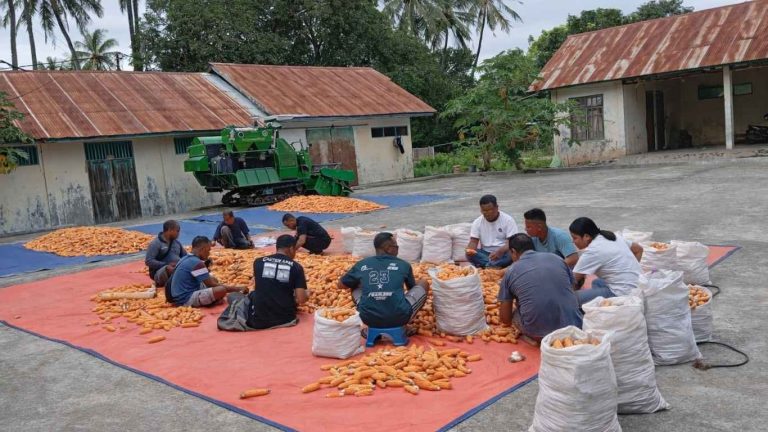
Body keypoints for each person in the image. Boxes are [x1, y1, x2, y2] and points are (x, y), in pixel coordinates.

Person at [498, 233, 583, 345]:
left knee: (514, 314)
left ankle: (532, 337)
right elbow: (571, 288)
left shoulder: (511, 271)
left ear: (513, 251)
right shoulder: (556, 258)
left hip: (538, 333)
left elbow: (505, 319)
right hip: (574, 325)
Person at [339, 232, 429, 331]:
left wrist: (363, 281)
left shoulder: (362, 264)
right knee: (423, 283)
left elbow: (341, 285)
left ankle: (370, 325)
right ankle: (404, 326)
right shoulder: (404, 265)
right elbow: (412, 289)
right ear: (388, 248)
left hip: (368, 319)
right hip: (399, 318)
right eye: (396, 246)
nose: (397, 249)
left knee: (354, 284)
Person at [569, 217, 644, 305]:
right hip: (639, 287)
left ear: (586, 236)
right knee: (596, 282)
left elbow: (572, 279)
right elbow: (639, 249)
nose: (573, 241)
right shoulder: (611, 236)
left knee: (570, 299)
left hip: (621, 293)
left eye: (575, 238)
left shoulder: (593, 251)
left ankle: (609, 306)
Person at [246, 235, 309, 329]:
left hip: (259, 320)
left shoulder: (258, 262)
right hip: (286, 318)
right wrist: (308, 294)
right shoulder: (296, 267)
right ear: (291, 248)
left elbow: (263, 285)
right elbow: (301, 299)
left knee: (249, 296)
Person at [167, 236, 246, 307]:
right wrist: (237, 289)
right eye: (208, 251)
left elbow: (209, 281)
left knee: (213, 279)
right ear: (202, 249)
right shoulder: (197, 263)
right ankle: (210, 301)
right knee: (221, 290)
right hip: (185, 299)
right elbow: (211, 284)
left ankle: (211, 300)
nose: (208, 254)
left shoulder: (186, 258)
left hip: (178, 294)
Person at [466, 195, 519, 268]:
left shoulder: (508, 220)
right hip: (486, 254)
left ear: (497, 208)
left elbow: (512, 242)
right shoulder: (477, 222)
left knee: (512, 252)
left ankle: (489, 265)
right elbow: (473, 241)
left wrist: (500, 251)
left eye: (489, 210)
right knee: (469, 254)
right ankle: (493, 265)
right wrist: (470, 250)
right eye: (484, 210)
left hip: (503, 253)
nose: (487, 213)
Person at [145, 220, 187, 287]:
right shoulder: (156, 243)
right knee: (169, 269)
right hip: (160, 273)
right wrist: (166, 264)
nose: (179, 233)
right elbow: (148, 261)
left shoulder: (177, 243)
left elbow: (185, 257)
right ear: (170, 230)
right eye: (177, 231)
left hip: (177, 269)